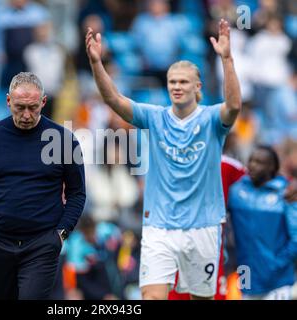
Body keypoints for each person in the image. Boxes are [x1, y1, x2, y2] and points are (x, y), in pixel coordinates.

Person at [86, 18, 242, 300]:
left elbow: (233, 105)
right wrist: (97, 63)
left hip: (203, 226)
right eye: (172, 82)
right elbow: (113, 100)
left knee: (201, 298)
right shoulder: (154, 117)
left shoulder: (211, 120)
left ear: (198, 87)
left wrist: (227, 58)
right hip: (159, 226)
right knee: (153, 297)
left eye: (183, 81)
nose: (176, 87)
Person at [0, 72, 86, 300]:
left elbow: (77, 193)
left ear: (43, 102)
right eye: (20, 107)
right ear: (8, 101)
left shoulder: (64, 140)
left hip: (41, 245)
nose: (26, 114)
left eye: (33, 107)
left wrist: (60, 235)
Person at [228, 146, 297, 300]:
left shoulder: (286, 193)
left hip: (278, 279)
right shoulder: (236, 192)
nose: (252, 165)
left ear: (272, 167)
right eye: (251, 160)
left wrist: (277, 263)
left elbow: (296, 237)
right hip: (245, 274)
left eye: (259, 162)